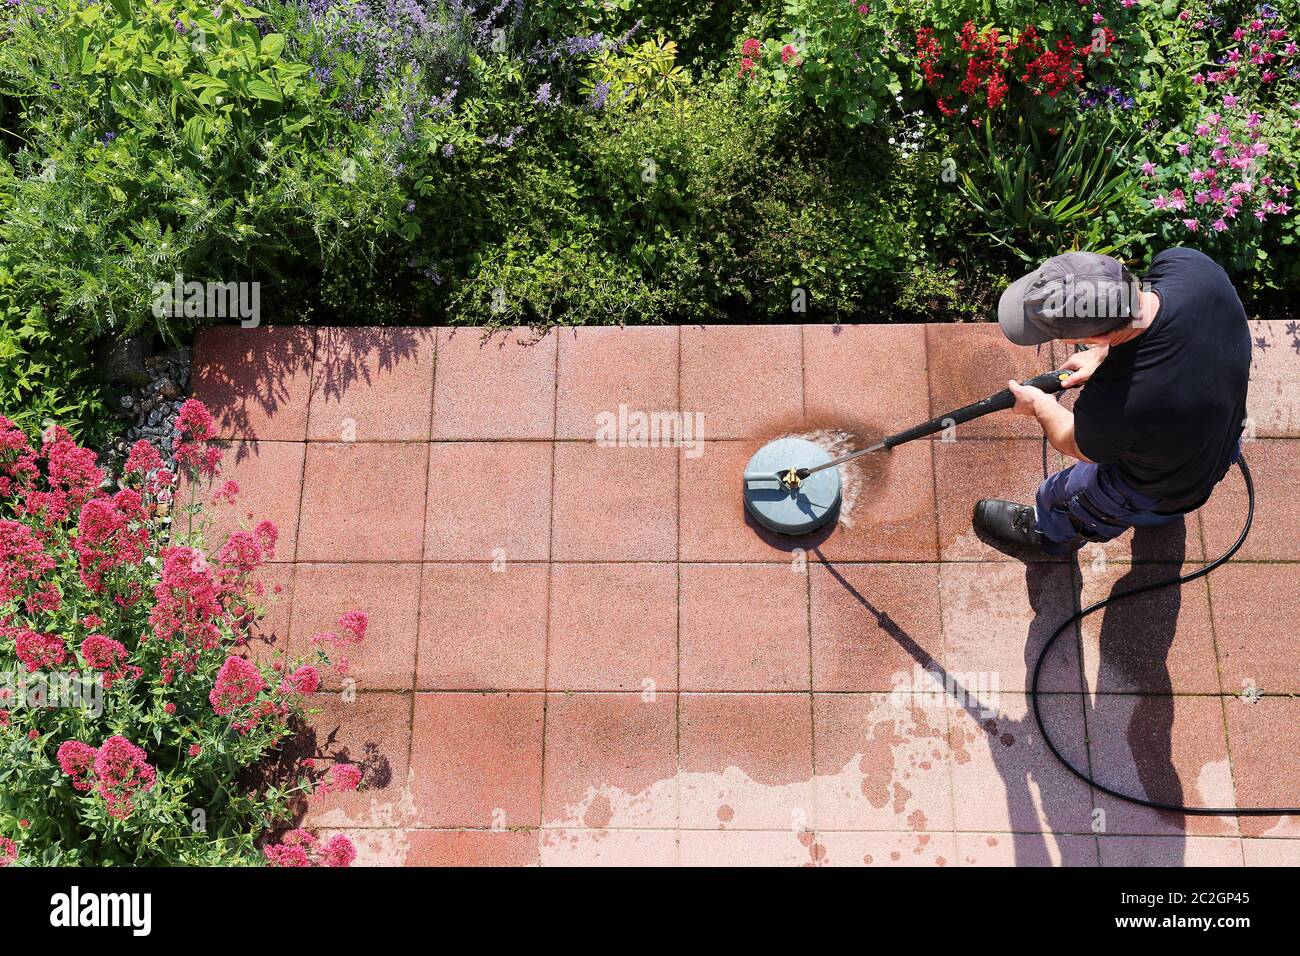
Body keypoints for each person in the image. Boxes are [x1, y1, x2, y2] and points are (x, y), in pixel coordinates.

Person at [973, 249, 1251, 556]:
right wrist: (1105, 355)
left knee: (1066, 493)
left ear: (1100, 335)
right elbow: (1152, 327)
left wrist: (1039, 405)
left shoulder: (1116, 405)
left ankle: (1049, 529)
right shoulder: (1191, 268)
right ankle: (1165, 514)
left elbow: (1075, 443)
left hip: (1154, 486)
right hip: (1221, 441)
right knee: (1175, 491)